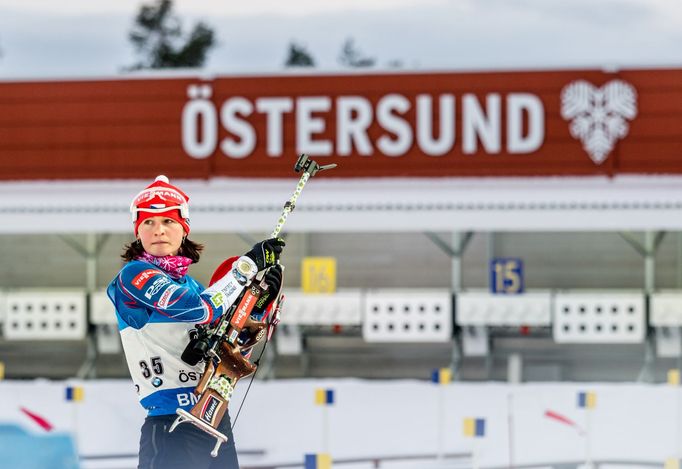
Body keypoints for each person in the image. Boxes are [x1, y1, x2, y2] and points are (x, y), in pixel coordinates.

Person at [107, 175, 285, 469]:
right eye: (148, 222)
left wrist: (256, 309)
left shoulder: (194, 285)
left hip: (213, 418)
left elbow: (231, 349)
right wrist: (246, 268)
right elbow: (197, 310)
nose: (158, 230)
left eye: (168, 221)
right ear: (137, 230)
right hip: (170, 425)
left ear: (183, 229)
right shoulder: (133, 276)